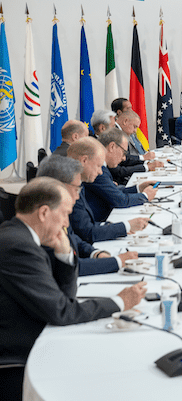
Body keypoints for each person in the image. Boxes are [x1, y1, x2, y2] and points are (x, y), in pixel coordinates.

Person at [0, 177, 146, 399]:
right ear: (43, 213)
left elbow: (62, 300)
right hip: (16, 358)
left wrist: (64, 255)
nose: (67, 224)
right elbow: (62, 311)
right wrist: (119, 302)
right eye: (65, 214)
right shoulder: (18, 246)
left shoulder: (19, 236)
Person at [37, 155, 139, 275]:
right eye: (76, 189)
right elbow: (71, 268)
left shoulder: (56, 209)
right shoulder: (44, 220)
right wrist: (116, 262)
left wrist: (95, 253)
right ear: (58, 186)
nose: (78, 196)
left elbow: (71, 237)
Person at [66, 138, 149, 243]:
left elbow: (87, 226)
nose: (100, 172)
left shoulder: (77, 183)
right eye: (98, 166)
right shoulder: (70, 189)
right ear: (84, 161)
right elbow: (87, 232)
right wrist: (125, 226)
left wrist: (117, 228)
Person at [84, 128, 157, 222]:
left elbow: (112, 192)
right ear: (112, 147)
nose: (123, 158)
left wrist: (138, 188)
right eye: (123, 153)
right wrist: (145, 196)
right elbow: (120, 200)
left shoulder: (102, 166)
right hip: (100, 223)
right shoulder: (97, 170)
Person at [111, 110, 164, 184]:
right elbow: (124, 162)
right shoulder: (114, 133)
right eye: (134, 126)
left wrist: (146, 163)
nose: (135, 131)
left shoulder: (122, 133)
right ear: (125, 121)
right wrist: (146, 165)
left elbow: (126, 159)